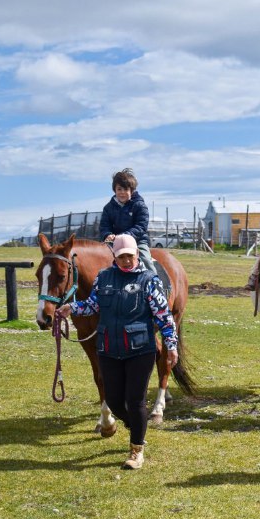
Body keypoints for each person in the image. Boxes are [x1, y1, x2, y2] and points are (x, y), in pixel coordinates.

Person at [57, 234, 178, 470]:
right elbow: (94, 304)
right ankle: (137, 425)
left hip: (140, 348)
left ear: (136, 255)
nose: (126, 261)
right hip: (109, 348)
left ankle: (136, 451)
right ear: (115, 256)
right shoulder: (104, 278)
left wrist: (170, 345)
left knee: (135, 400)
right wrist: (72, 308)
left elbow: (164, 317)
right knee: (112, 399)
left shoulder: (149, 280)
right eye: (121, 256)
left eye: (130, 256)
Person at [100, 168, 156, 273]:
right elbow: (104, 226)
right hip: (114, 243)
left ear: (132, 191)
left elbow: (141, 226)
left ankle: (156, 283)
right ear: (114, 190)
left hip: (138, 242)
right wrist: (107, 234)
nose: (122, 192)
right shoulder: (108, 208)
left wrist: (123, 237)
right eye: (119, 189)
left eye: (125, 189)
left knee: (146, 261)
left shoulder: (140, 206)